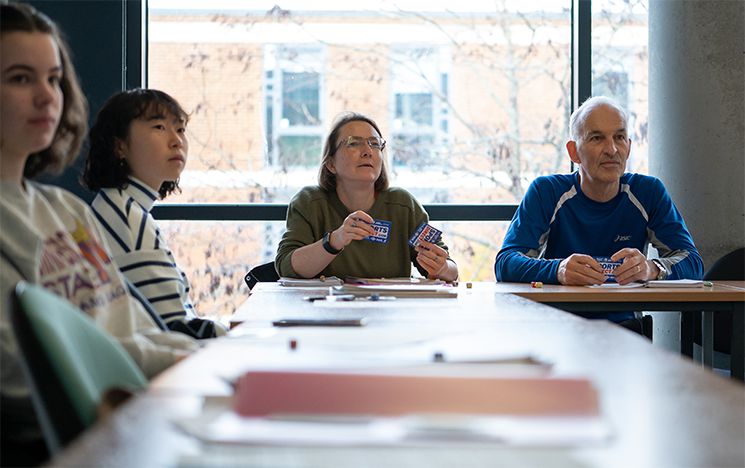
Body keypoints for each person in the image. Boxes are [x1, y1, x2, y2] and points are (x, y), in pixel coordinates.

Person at [0, 3, 197, 462]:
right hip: (85, 440)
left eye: (53, 78)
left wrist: (197, 355)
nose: (48, 97)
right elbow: (22, 374)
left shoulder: (66, 210)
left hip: (143, 410)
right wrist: (178, 362)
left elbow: (133, 322)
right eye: (20, 78)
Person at [495, 96, 703, 323]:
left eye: (619, 137)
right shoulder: (547, 191)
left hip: (626, 330)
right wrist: (558, 270)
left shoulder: (648, 191)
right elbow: (506, 262)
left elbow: (693, 262)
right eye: (597, 138)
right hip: (557, 327)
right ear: (574, 152)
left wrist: (652, 269)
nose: (612, 149)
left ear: (629, 147)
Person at [82, 89, 226, 339]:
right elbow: (174, 329)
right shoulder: (128, 218)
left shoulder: (119, 204)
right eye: (159, 127)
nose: (176, 140)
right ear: (119, 146)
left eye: (180, 129)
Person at [275, 112, 458, 281]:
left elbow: (451, 269)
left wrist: (441, 268)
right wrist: (335, 240)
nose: (367, 151)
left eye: (375, 143)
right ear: (331, 164)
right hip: (326, 312)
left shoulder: (403, 205)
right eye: (354, 143)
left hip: (389, 312)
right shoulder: (310, 202)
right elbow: (286, 266)